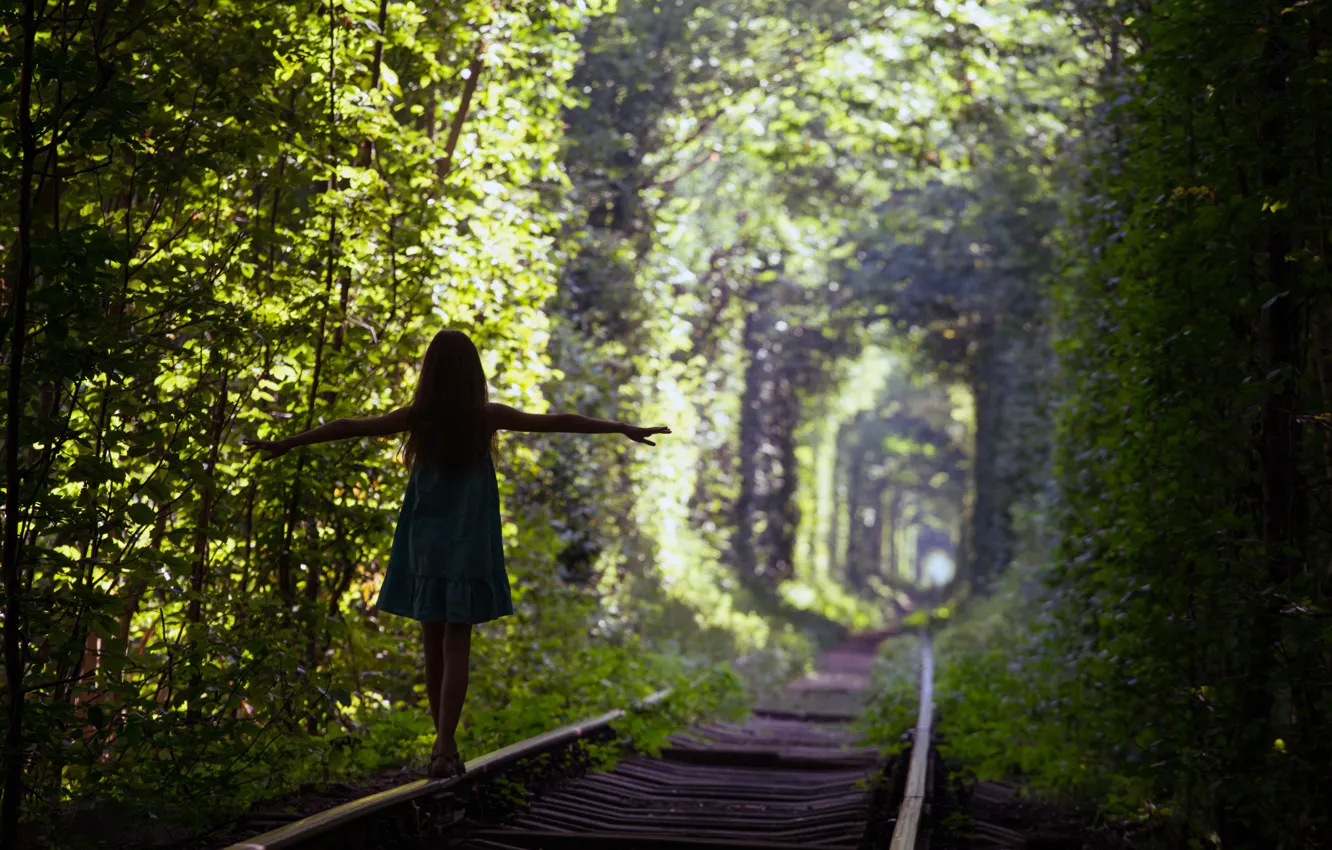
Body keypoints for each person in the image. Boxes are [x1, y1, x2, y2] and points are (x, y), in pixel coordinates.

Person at [244, 329, 670, 779]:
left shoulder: (418, 418)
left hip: (425, 543)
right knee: (456, 643)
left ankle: (442, 747)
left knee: (432, 645)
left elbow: (349, 426)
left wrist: (289, 442)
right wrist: (621, 428)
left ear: (430, 373)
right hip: (469, 542)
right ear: (473, 374)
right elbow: (558, 420)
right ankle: (445, 744)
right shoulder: (486, 417)